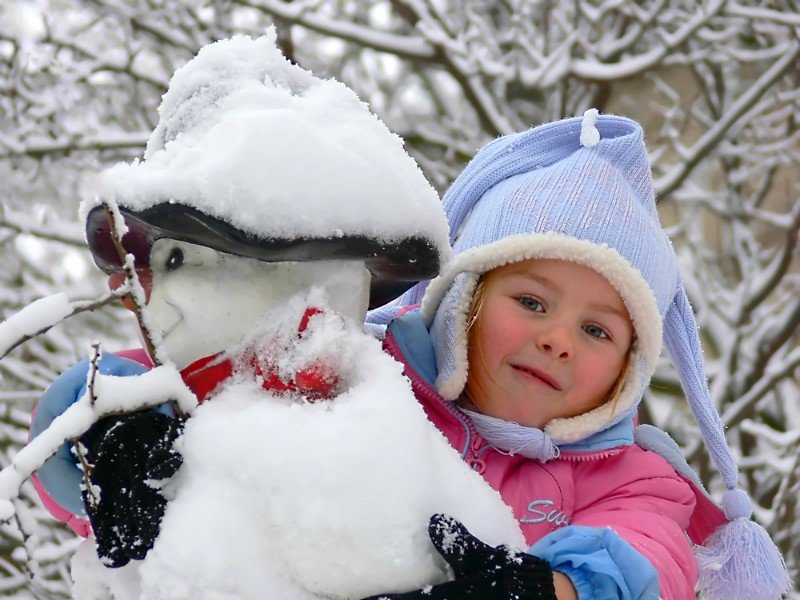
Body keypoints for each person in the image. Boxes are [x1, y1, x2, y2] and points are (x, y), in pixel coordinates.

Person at [361, 112, 790, 599]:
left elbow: (648, 557)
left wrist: (552, 590)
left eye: (595, 330)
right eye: (531, 302)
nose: (558, 340)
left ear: (627, 371)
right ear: (464, 301)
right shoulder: (374, 379)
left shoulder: (633, 481)